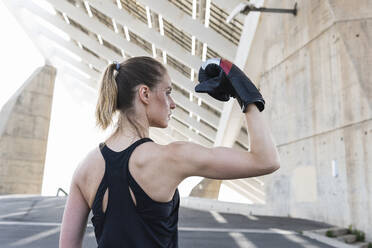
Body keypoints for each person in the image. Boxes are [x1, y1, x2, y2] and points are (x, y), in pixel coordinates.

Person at [59, 56, 280, 248]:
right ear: (144, 94)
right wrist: (246, 95)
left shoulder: (84, 169)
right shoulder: (172, 157)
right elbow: (265, 160)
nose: (172, 104)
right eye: (168, 92)